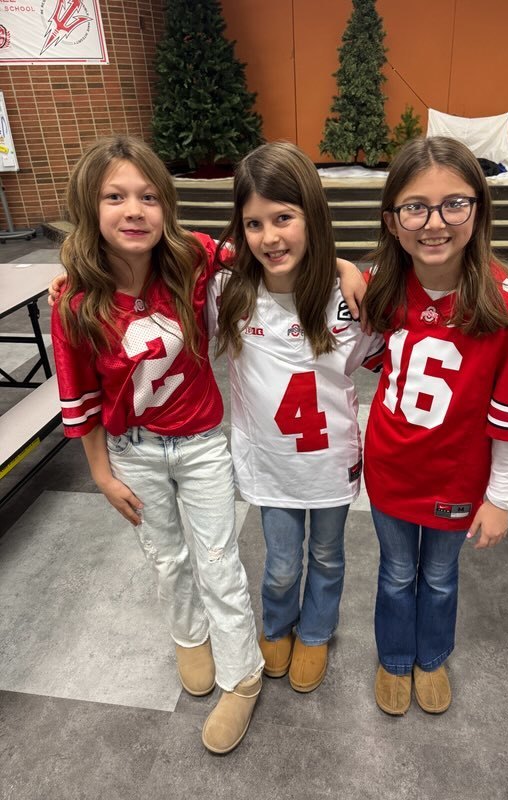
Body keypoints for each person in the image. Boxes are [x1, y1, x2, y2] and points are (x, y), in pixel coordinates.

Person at [50, 135, 265, 755]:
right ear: (90, 207)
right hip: (133, 451)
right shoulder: (73, 299)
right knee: (167, 559)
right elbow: (80, 397)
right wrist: (101, 473)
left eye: (148, 196)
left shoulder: (191, 260)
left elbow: (266, 250)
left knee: (219, 560)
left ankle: (242, 676)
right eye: (115, 197)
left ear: (167, 206)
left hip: (199, 442)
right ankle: (188, 635)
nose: (134, 210)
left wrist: (340, 265)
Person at [362, 136, 508, 716]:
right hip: (391, 465)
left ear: (479, 208)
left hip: (458, 477)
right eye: (415, 207)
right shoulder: (382, 286)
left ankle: (432, 655)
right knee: (396, 573)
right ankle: (394, 658)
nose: (434, 223)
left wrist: (501, 497)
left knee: (439, 576)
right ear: (393, 220)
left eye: (454, 204)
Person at [209, 141, 384, 693]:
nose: (270, 237)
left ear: (312, 214)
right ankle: (279, 624)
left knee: (329, 555)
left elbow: (367, 361)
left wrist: (342, 264)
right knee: (281, 562)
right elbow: (163, 266)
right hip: (271, 464)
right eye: (254, 223)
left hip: (330, 462)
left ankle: (316, 631)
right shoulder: (229, 294)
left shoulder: (347, 297)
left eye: (283, 217)